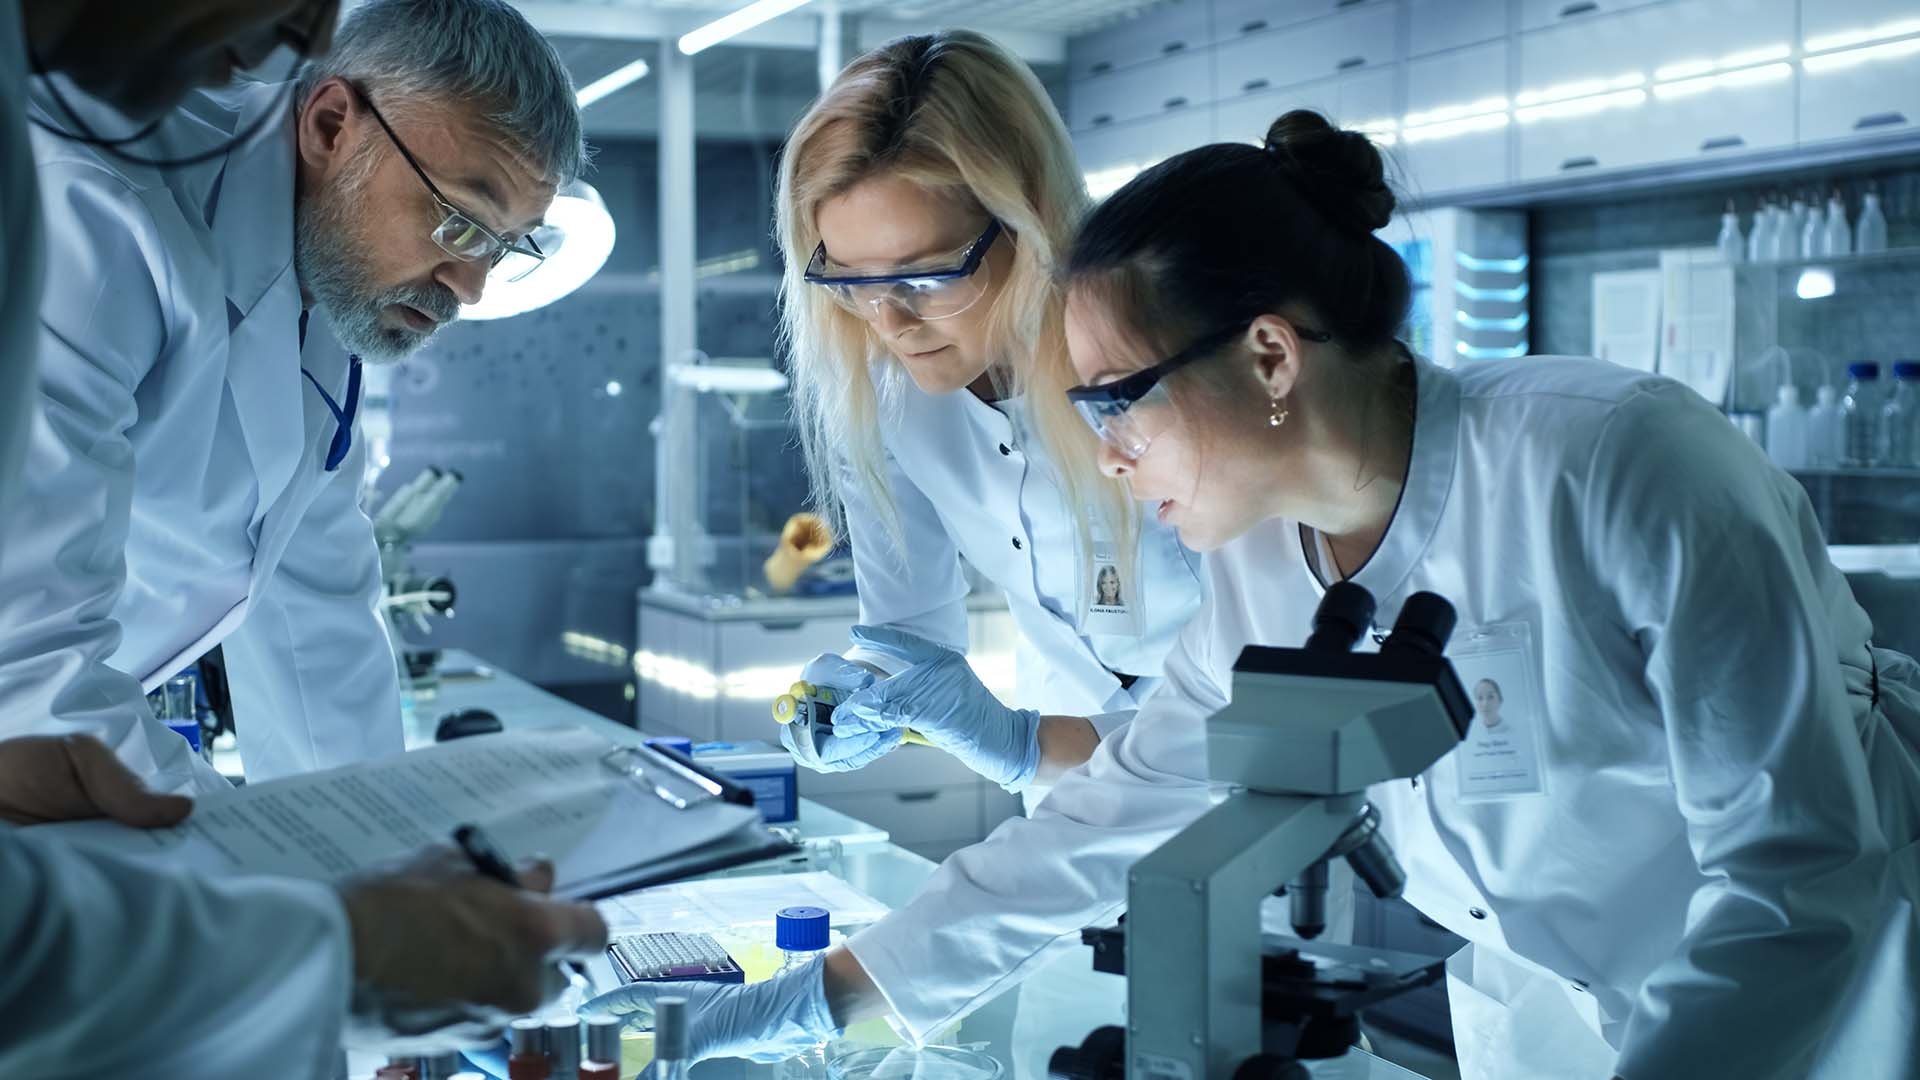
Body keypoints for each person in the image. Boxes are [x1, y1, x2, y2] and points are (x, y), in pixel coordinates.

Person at [587, 109, 1920, 1080]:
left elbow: (1796, 875)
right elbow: (1120, 807)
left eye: (1114, 400)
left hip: (1819, 1006)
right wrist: (825, 998)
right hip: (1547, 1013)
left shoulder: (1619, 460)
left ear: (1269, 354)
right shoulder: (1261, 560)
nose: (1100, 453)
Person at [0, 5, 605, 1077]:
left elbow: (319, 618)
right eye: (460, 224)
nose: (469, 289)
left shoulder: (324, 302)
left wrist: (407, 889)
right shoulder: (99, 214)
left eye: (501, 249)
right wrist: (336, 935)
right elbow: (26, 672)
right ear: (333, 123)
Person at [766, 31, 1203, 805]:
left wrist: (1022, 745)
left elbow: (1271, 672)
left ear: (1027, 224)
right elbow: (910, 634)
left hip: (1236, 786)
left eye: (926, 277)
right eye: (851, 281)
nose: (888, 320)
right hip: (1059, 795)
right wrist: (858, 692)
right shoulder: (885, 393)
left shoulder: (1164, 371)